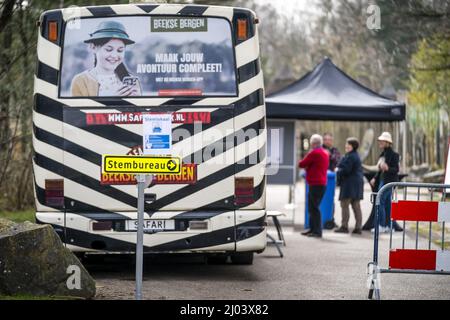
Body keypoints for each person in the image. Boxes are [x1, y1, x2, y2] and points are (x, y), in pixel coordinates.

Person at [71, 21, 142, 97]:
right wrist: (113, 101)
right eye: (109, 49)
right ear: (93, 47)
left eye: (120, 50)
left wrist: (137, 101)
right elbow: (79, 109)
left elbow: (139, 108)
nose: (114, 55)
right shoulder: (81, 81)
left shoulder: (131, 81)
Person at [370, 132, 403, 233]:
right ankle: (389, 226)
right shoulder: (383, 154)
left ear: (387, 142)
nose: (380, 142)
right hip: (383, 181)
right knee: (387, 204)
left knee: (380, 201)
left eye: (382, 141)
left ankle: (381, 225)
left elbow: (396, 170)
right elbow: (380, 169)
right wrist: (375, 178)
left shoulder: (394, 155)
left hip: (389, 182)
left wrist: (388, 168)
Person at [299, 134, 330, 238]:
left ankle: (317, 231)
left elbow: (302, 164)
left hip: (316, 184)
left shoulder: (315, 153)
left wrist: (306, 161)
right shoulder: (324, 152)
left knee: (314, 208)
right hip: (320, 184)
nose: (311, 145)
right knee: (312, 207)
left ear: (314, 143)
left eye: (312, 143)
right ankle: (312, 229)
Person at [335, 138, 364, 234]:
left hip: (349, 185)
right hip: (356, 185)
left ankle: (344, 226)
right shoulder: (354, 155)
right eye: (346, 144)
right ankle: (358, 227)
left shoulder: (350, 156)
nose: (346, 146)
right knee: (356, 206)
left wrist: (337, 170)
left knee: (345, 205)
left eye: (348, 145)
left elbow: (346, 170)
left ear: (353, 146)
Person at [323, 133, 341, 229]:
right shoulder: (319, 149)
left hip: (330, 180)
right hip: (320, 178)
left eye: (329, 139)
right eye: (325, 139)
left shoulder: (335, 150)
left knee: (331, 200)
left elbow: (338, 161)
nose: (327, 141)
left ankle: (331, 219)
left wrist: (329, 156)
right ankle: (320, 219)